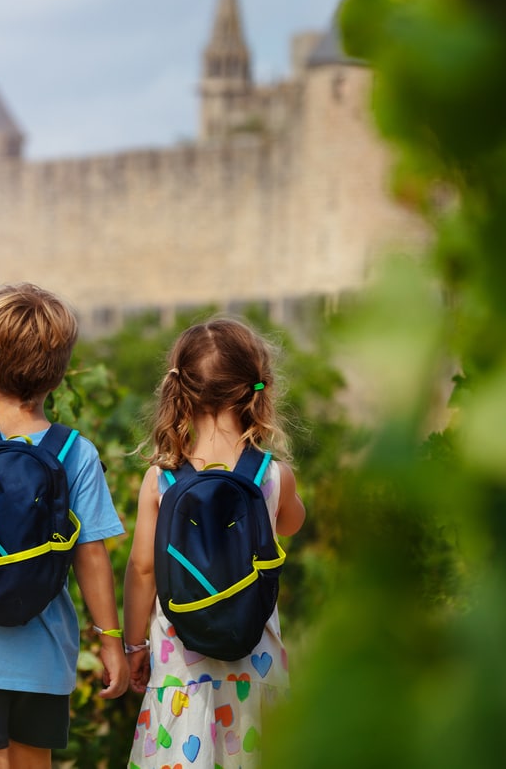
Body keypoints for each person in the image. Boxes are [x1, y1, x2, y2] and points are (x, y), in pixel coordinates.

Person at [0, 282, 128, 769]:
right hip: (45, 654)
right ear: (57, 376)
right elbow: (91, 554)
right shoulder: (77, 453)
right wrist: (110, 641)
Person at [122, 317, 306, 769]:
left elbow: (142, 569)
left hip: (180, 665)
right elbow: (292, 525)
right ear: (255, 388)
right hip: (255, 663)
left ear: (179, 390)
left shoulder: (161, 480)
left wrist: (133, 646)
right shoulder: (273, 475)